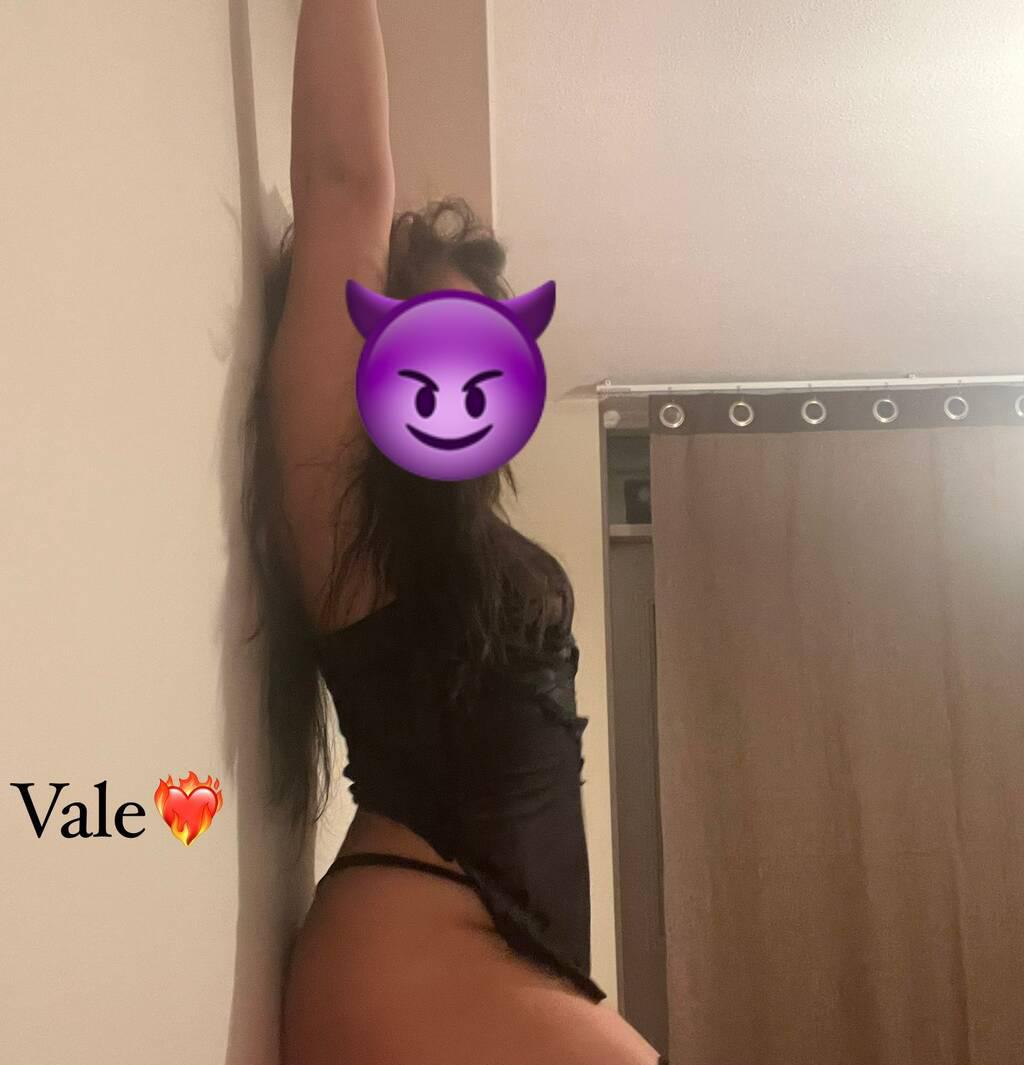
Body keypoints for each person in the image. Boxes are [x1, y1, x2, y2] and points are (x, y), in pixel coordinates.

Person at [243, 2, 671, 1062]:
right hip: (422, 937)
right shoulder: (343, 501)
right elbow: (344, 184)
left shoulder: (459, 543)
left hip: (477, 948)